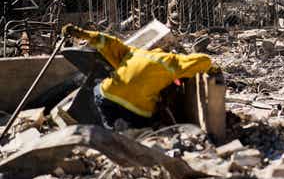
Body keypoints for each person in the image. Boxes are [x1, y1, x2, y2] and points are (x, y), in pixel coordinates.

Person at [61, 24, 220, 129]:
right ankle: (133, 129)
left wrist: (81, 33)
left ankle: (113, 126)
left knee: (98, 89)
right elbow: (201, 60)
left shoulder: (135, 52)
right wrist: (212, 68)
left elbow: (108, 41)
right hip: (138, 109)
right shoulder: (171, 62)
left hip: (109, 96)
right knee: (144, 121)